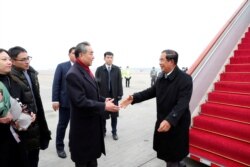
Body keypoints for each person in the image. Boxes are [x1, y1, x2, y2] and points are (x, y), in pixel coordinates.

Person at [120, 49, 193, 167]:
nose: (159, 63)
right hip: (163, 122)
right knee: (166, 154)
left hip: (176, 124)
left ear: (172, 61)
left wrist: (170, 120)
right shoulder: (161, 77)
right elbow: (151, 92)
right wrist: (133, 98)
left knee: (172, 157)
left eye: (162, 60)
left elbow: (182, 104)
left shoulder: (185, 79)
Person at [66, 41, 119, 167]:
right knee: (84, 161)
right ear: (80, 55)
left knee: (92, 161)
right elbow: (80, 101)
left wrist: (103, 100)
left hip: (91, 129)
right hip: (83, 131)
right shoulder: (73, 74)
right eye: (91, 53)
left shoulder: (86, 70)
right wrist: (104, 106)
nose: (93, 56)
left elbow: (92, 94)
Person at [8, 46, 51, 167]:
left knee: (34, 157)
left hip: (36, 123)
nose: (27, 61)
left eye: (28, 58)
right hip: (22, 125)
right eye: (23, 59)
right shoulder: (11, 77)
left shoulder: (31, 73)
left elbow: (36, 100)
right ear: (13, 60)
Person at [52, 47, 76, 158]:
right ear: (69, 54)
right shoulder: (62, 66)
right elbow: (56, 83)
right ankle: (59, 147)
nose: (75, 54)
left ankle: (73, 145)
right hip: (65, 102)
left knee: (76, 126)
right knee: (62, 125)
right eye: (73, 53)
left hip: (78, 103)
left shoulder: (81, 67)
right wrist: (55, 100)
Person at [95, 51, 123, 140]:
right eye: (108, 57)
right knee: (103, 115)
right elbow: (96, 84)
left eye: (111, 57)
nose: (110, 59)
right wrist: (98, 96)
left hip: (114, 96)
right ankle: (103, 131)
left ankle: (114, 132)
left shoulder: (117, 69)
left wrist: (120, 94)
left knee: (114, 115)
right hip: (103, 97)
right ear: (104, 58)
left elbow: (119, 82)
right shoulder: (99, 70)